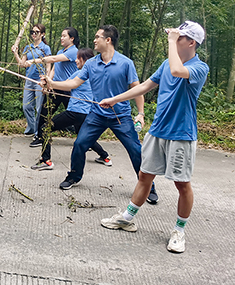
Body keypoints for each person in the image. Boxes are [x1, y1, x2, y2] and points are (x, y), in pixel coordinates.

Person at [99, 21, 208, 254]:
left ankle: (179, 231)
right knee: (144, 176)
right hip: (157, 130)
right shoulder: (165, 64)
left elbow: (179, 71)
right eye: (174, 36)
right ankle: (127, 218)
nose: (174, 39)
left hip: (182, 134)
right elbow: (145, 86)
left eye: (179, 37)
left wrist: (171, 40)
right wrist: (116, 99)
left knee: (182, 184)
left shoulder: (200, 68)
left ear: (191, 42)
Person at [48, 25, 158, 205]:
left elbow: (138, 90)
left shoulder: (125, 63)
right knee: (80, 144)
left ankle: (149, 187)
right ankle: (74, 176)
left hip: (120, 116)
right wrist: (52, 83)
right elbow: (74, 82)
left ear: (108, 40)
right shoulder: (91, 64)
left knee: (136, 150)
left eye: (97, 37)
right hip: (96, 115)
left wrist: (141, 113)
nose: (94, 40)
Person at [32, 48, 111, 170]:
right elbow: (65, 85)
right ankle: (105, 156)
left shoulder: (80, 74)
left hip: (75, 112)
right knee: (84, 136)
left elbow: (66, 85)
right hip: (86, 113)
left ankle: (46, 160)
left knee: (44, 128)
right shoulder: (97, 74)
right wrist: (48, 84)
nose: (75, 60)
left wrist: (48, 83)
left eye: (78, 58)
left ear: (84, 60)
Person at [25, 27, 80, 149]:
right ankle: (40, 137)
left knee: (75, 115)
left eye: (64, 36)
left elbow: (54, 59)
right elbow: (55, 68)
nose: (61, 38)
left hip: (68, 88)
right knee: (44, 112)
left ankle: (86, 139)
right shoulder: (61, 51)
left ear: (72, 38)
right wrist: (48, 83)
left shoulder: (73, 51)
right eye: (61, 35)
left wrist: (35, 61)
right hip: (55, 88)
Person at [11, 24, 51, 138]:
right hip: (28, 79)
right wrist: (15, 52)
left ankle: (39, 133)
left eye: (36, 32)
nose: (34, 34)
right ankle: (32, 128)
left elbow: (48, 65)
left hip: (40, 80)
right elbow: (22, 64)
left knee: (39, 108)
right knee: (26, 106)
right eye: (32, 32)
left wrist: (47, 79)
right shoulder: (28, 47)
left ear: (42, 34)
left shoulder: (45, 48)